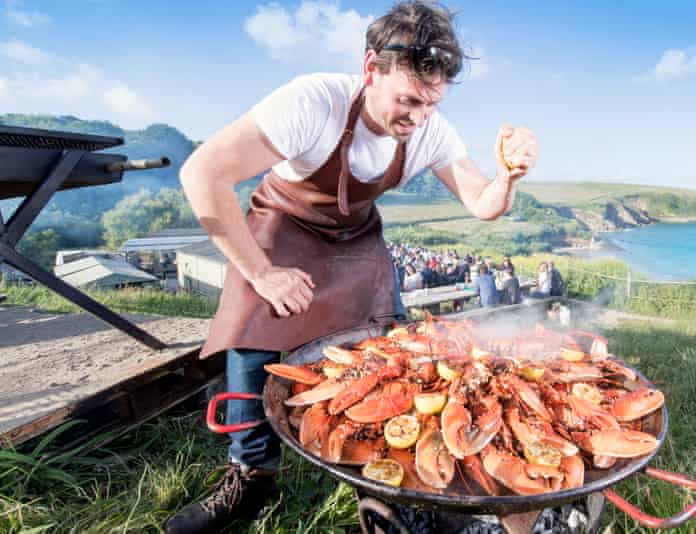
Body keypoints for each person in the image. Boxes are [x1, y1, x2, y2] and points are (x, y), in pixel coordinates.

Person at [165, 2, 538, 532]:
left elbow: (482, 202)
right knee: (253, 341)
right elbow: (201, 172)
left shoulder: (430, 128)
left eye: (431, 104)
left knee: (397, 347)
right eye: (407, 101)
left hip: (357, 236)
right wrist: (262, 274)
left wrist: (508, 176)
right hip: (283, 226)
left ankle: (390, 475)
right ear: (370, 70)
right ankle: (251, 476)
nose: (418, 119)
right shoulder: (310, 102)